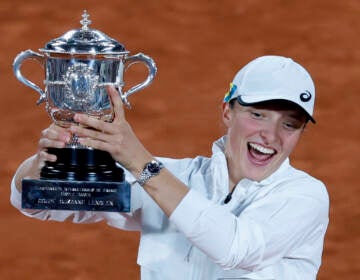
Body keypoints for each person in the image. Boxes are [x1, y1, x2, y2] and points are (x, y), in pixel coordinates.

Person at [11, 55, 329, 280]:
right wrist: (45, 164)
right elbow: (40, 202)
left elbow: (236, 248)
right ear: (227, 112)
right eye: (258, 115)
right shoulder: (172, 179)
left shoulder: (304, 197)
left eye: (290, 124)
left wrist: (140, 162)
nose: (271, 136)